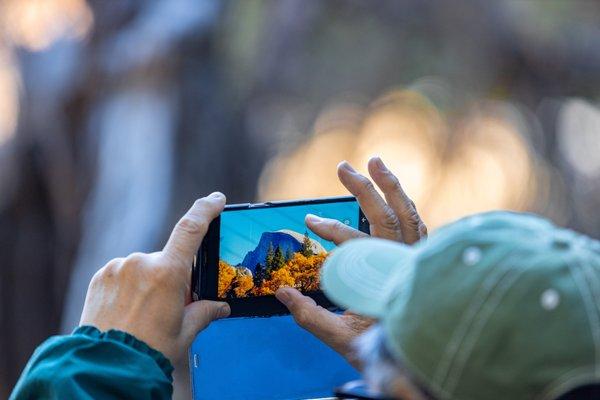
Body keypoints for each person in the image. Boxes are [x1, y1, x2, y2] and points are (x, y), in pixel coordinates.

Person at [10, 157, 600, 399]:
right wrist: (393, 350)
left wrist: (98, 364)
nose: (351, 392)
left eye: (383, 394)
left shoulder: (92, 371)